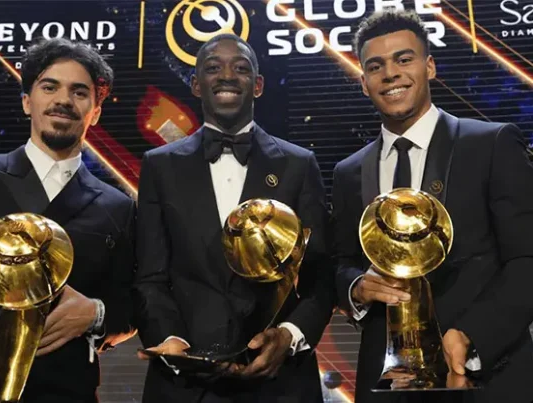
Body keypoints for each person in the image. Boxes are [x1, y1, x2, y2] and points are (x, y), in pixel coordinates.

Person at [331, 10, 533, 403]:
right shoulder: (348, 172)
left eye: (404, 59)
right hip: (387, 384)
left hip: (485, 375)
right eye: (376, 66)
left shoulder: (491, 145)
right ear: (364, 82)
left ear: (430, 67)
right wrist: (357, 287)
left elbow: (526, 259)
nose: (391, 74)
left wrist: (473, 337)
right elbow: (341, 263)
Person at [0, 38, 137, 403]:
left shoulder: (118, 206)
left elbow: (131, 304)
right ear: (27, 101)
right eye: (49, 87)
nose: (64, 100)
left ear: (95, 112)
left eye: (79, 92)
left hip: (66, 392)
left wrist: (96, 314)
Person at [134, 34, 336, 402]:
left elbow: (320, 276)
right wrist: (170, 339)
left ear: (258, 85)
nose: (227, 76)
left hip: (281, 383)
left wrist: (289, 335)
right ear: (196, 84)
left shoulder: (299, 165)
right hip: (186, 385)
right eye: (213, 68)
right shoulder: (159, 166)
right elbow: (150, 276)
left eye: (240, 68)